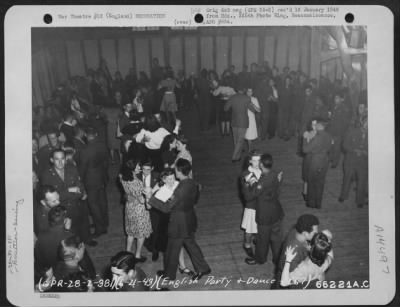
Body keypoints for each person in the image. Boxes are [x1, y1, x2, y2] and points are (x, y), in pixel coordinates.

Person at [149, 159, 211, 281]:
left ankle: (169, 275)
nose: (175, 171)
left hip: (177, 224)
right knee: (191, 245)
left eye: (176, 169)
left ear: (179, 171)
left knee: (171, 250)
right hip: (189, 219)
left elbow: (166, 208)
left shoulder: (179, 190)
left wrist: (151, 198)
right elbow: (195, 198)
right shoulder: (193, 183)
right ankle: (203, 268)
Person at [41, 149, 93, 245]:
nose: (60, 162)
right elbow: (51, 199)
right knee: (70, 237)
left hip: (76, 205)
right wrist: (69, 190)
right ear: (52, 160)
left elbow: (80, 187)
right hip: (61, 211)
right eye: (57, 159)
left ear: (65, 159)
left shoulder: (71, 168)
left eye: (62, 159)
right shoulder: (46, 175)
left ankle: (86, 240)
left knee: (83, 225)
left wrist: (77, 193)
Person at [242, 153, 284, 266]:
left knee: (262, 239)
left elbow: (249, 196)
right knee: (276, 238)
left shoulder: (263, 180)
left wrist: (247, 184)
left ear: (261, 164)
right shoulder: (275, 174)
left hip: (264, 214)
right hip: (276, 212)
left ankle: (260, 259)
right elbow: (277, 188)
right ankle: (278, 259)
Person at [119, 160, 152, 262]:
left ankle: (127, 253)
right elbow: (142, 200)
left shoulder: (122, 178)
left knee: (131, 233)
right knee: (141, 234)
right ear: (132, 169)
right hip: (139, 210)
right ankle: (137, 255)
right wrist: (148, 194)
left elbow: (128, 193)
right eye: (138, 167)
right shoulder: (136, 182)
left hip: (129, 207)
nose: (140, 168)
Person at [78, 127, 109, 238]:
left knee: (93, 204)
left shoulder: (85, 151)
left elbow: (82, 169)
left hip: (90, 179)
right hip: (101, 176)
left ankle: (99, 228)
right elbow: (107, 161)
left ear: (86, 135)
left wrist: (79, 182)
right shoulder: (102, 145)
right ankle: (104, 223)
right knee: (102, 201)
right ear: (95, 134)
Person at [275, 214, 320, 287]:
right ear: (305, 233)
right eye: (314, 233)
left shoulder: (296, 231)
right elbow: (293, 278)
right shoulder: (294, 253)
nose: (317, 234)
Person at [303, 119, 333, 208]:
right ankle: (318, 203)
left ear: (320, 126)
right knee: (320, 182)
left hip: (316, 161)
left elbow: (305, 149)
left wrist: (305, 138)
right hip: (325, 161)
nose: (315, 126)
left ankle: (311, 203)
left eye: (316, 125)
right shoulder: (328, 135)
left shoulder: (318, 137)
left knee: (312, 182)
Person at [339, 118, 368, 208]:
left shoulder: (374, 135)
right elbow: (344, 145)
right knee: (347, 178)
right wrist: (355, 150)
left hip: (363, 161)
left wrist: (365, 152)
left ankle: (360, 200)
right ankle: (343, 196)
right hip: (350, 159)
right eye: (367, 123)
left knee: (362, 181)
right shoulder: (351, 131)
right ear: (361, 122)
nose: (368, 125)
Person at [240, 150, 262, 258]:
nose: (257, 163)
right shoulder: (246, 174)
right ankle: (247, 245)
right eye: (255, 161)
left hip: (262, 206)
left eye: (259, 160)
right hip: (252, 206)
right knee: (249, 229)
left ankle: (257, 239)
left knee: (259, 226)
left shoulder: (263, 171)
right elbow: (247, 196)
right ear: (250, 161)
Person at [224, 88, 253, 162]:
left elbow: (225, 108)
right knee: (240, 140)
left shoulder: (232, 97)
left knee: (236, 140)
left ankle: (238, 155)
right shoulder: (247, 98)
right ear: (243, 90)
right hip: (243, 122)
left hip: (234, 121)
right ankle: (234, 157)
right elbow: (252, 109)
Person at [327, 91, 352, 168]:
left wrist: (341, 132)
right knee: (331, 145)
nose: (335, 99)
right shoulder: (333, 106)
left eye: (337, 98)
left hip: (338, 131)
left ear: (342, 99)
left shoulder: (344, 108)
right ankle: (331, 158)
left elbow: (345, 122)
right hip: (332, 130)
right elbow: (331, 119)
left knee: (337, 147)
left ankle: (335, 162)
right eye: (335, 98)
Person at [301, 119, 317, 202]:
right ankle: (305, 193)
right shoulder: (307, 134)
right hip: (309, 159)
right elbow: (304, 149)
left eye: (316, 124)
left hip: (318, 160)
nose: (315, 126)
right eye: (313, 124)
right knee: (307, 177)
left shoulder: (322, 134)